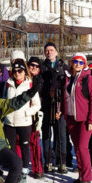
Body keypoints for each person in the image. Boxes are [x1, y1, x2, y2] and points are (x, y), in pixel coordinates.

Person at [56, 53, 92, 183]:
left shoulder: (89, 79)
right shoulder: (68, 78)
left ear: (84, 64)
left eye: (81, 62)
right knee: (77, 148)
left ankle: (87, 179)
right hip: (71, 117)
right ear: (72, 63)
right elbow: (65, 97)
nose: (78, 64)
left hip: (84, 119)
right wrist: (61, 110)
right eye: (76, 62)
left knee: (82, 147)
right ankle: (81, 175)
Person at [3, 59, 41, 183]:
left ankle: (24, 174)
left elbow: (37, 105)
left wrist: (26, 113)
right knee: (11, 150)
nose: (17, 73)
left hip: (24, 122)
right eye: (15, 71)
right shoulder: (8, 84)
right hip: (10, 123)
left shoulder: (29, 85)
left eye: (20, 71)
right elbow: (4, 102)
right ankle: (15, 172)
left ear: (24, 71)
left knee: (25, 149)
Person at [40, 42, 68, 174]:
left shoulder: (63, 66)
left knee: (61, 134)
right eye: (47, 50)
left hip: (60, 105)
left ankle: (62, 162)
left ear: (56, 52)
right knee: (46, 134)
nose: (49, 52)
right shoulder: (41, 67)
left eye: (51, 50)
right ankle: (48, 161)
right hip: (46, 105)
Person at [26, 56, 45, 179]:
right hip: (22, 114)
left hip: (35, 114)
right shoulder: (23, 78)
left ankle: (38, 169)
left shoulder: (40, 81)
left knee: (35, 142)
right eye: (31, 65)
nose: (33, 67)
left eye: (36, 66)